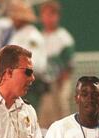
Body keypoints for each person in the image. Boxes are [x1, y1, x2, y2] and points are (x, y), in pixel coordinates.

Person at [37, 0, 75, 129]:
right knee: (45, 116)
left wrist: (60, 83)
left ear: (57, 16)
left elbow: (69, 64)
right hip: (44, 84)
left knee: (62, 113)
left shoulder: (64, 37)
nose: (48, 18)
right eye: (45, 14)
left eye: (51, 14)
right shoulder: (38, 37)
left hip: (60, 83)